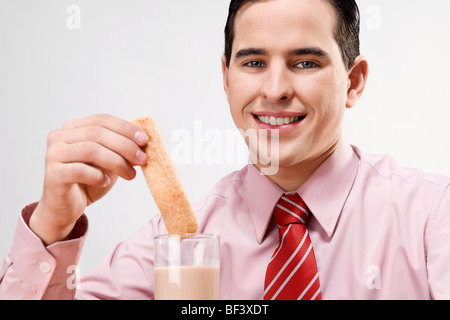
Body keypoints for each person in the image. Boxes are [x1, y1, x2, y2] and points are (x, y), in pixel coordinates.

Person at [1, 0, 449, 300]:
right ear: (227, 78)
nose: (274, 90)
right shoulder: (173, 247)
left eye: (305, 62)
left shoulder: (432, 218)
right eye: (254, 63)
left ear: (353, 81)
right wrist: (52, 227)